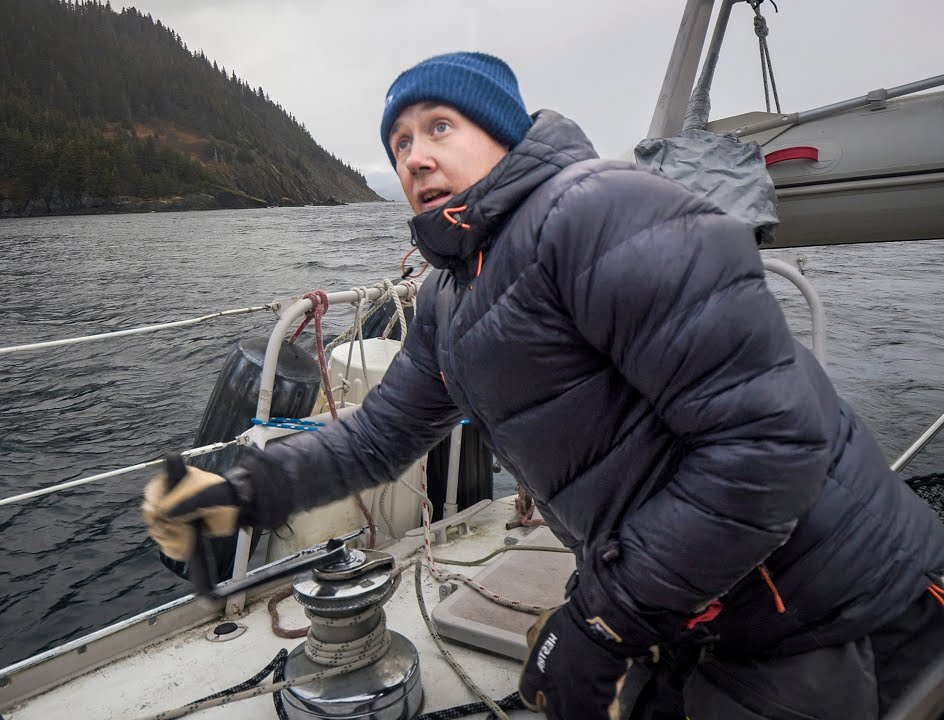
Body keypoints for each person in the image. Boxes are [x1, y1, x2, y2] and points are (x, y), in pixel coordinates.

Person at [142, 52, 944, 719]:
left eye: (439, 127)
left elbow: (770, 442)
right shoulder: (453, 296)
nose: (413, 155)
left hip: (817, 604)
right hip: (698, 603)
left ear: (505, 133)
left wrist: (605, 620)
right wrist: (244, 489)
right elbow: (381, 435)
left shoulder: (605, 212)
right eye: (398, 143)